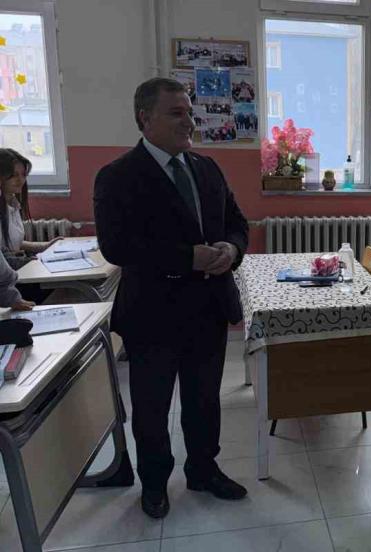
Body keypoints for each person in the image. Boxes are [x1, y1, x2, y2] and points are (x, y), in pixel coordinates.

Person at [94, 77, 249, 520]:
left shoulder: (206, 168)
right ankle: (155, 483)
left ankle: (203, 469)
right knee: (152, 407)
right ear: (145, 119)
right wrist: (188, 257)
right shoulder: (118, 176)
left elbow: (237, 222)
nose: (189, 122)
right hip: (152, 314)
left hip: (208, 308)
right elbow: (117, 246)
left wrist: (231, 248)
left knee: (204, 401)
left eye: (190, 112)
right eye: (176, 113)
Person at [0, 149, 60, 262]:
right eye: (14, 175)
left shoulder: (14, 204)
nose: (20, 180)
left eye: (23, 174)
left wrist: (46, 246)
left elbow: (14, 243)